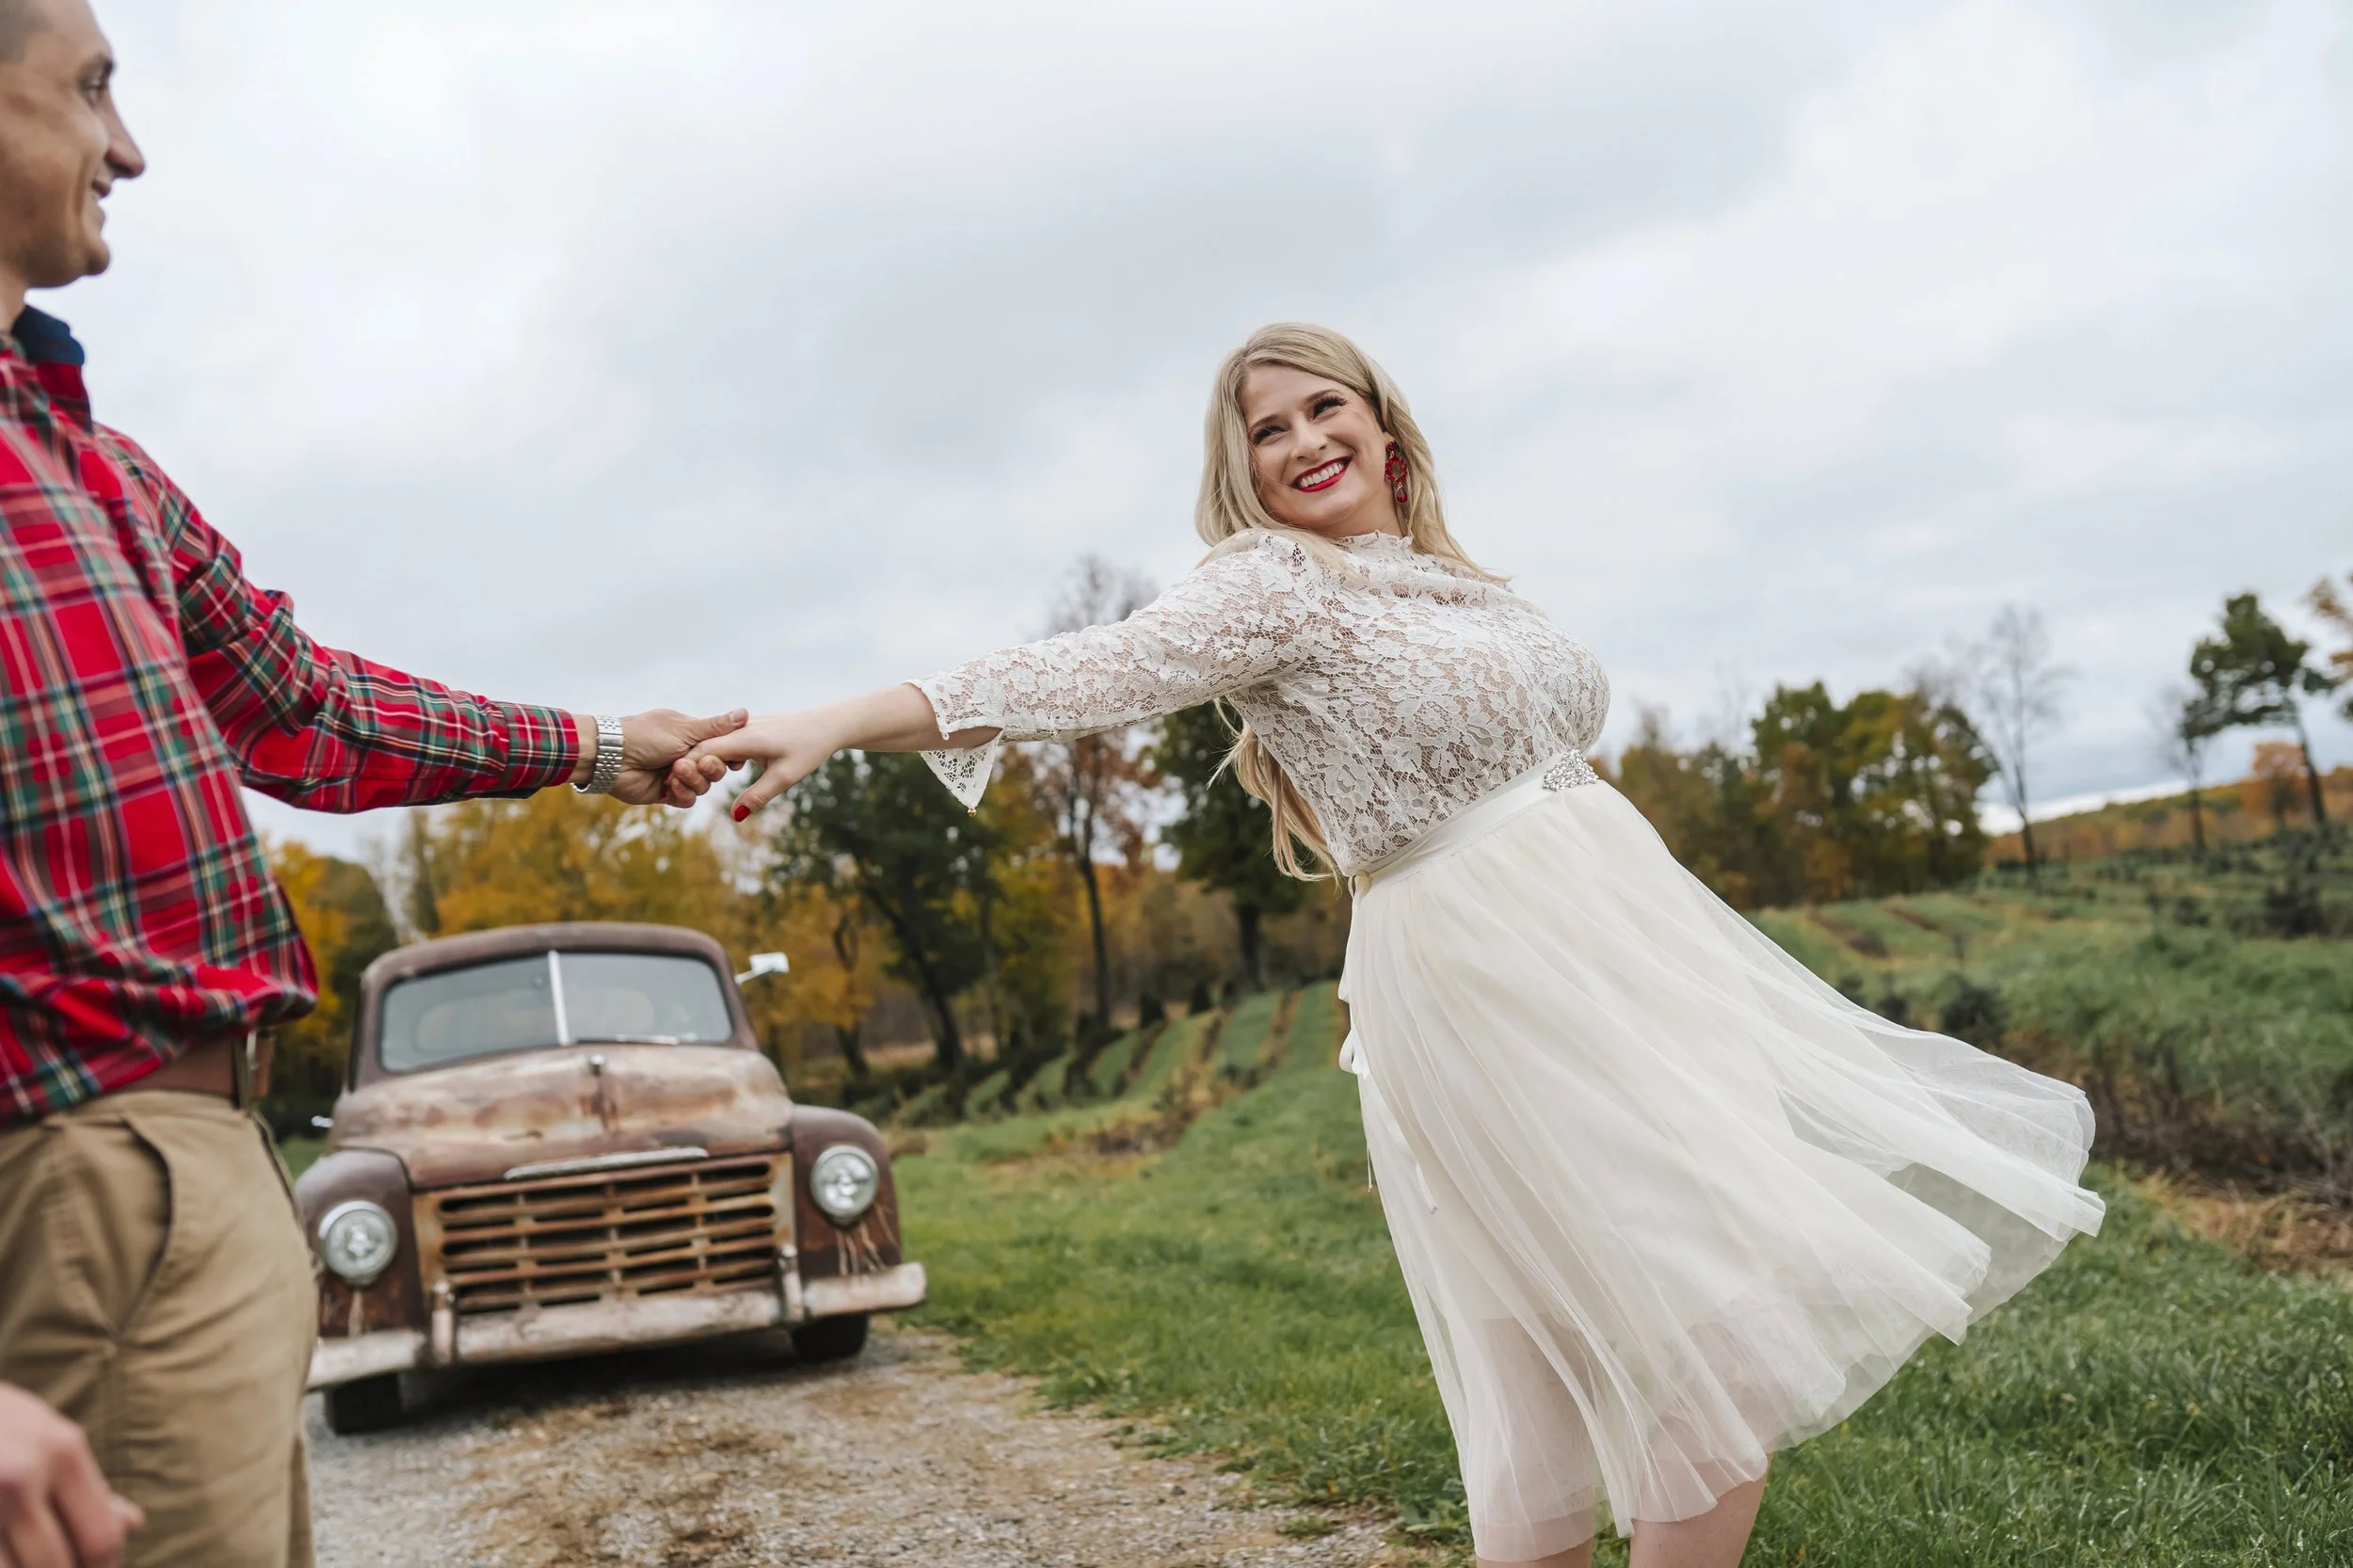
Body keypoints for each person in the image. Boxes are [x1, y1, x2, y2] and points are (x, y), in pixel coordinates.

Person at [681, 322, 2106, 1568]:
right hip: (1489, 969)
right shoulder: (1273, 586)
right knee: (1719, 1322)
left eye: (1324, 407)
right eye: (1268, 428)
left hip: (1619, 952)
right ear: (1241, 472)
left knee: (1549, 1365)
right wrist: (837, 720)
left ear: (1383, 426)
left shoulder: (1453, 585)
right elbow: (1077, 670)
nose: (1304, 439)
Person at [0, 2, 740, 1564]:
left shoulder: (98, 468)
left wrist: (606, 750)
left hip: (209, 1153)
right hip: (63, 1165)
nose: (127, 147)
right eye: (90, 92)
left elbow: (309, 710)